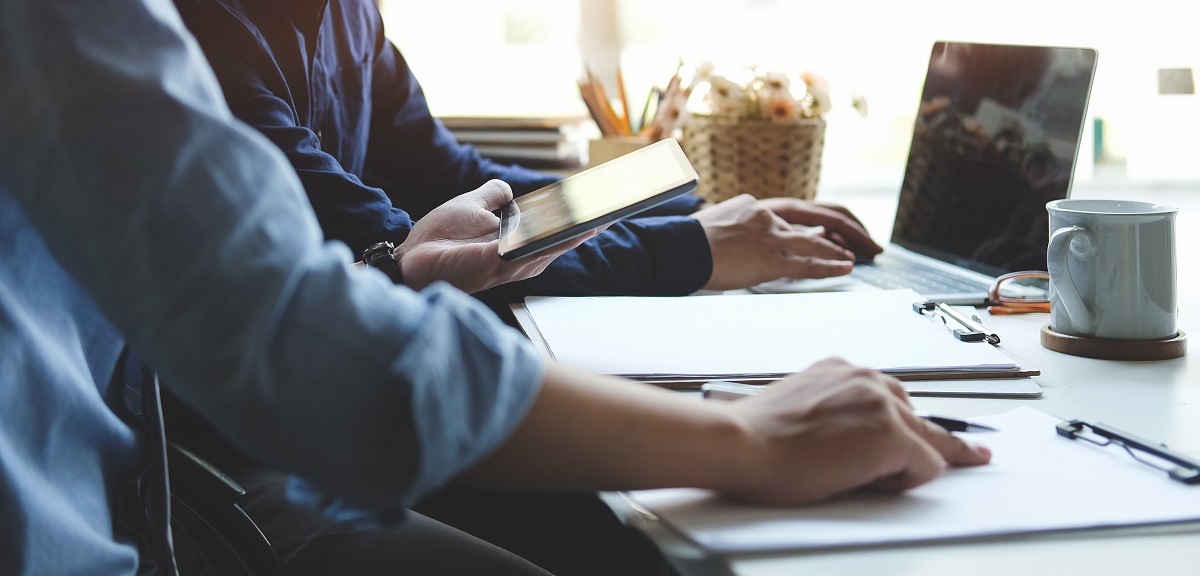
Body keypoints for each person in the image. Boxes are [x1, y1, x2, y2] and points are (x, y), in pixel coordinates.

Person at [0, 3, 991, 576]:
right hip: (178, 481)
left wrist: (663, 220)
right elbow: (300, 327)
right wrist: (750, 429)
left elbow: (437, 183)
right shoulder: (182, 31)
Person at [170, 0, 884, 303]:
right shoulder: (201, 41)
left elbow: (445, 171)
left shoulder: (348, 13)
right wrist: (695, 246)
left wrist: (698, 205)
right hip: (252, 433)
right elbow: (409, 249)